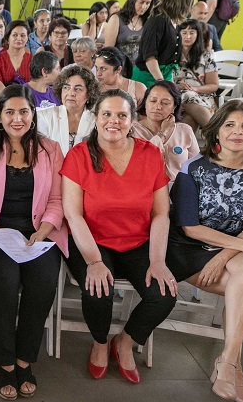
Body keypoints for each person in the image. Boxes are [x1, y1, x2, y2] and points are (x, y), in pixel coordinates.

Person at [62, 88, 177, 385]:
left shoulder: (149, 154)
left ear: (132, 119)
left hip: (138, 242)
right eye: (107, 114)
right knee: (97, 290)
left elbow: (161, 213)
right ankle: (100, 342)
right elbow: (73, 215)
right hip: (93, 240)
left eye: (122, 115)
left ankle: (124, 341)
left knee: (163, 295)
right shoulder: (79, 156)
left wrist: (157, 260)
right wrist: (94, 261)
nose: (114, 121)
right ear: (96, 118)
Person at [167, 101, 243, 402]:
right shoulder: (194, 167)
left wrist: (225, 255)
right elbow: (189, 226)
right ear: (217, 130)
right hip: (186, 250)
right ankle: (233, 369)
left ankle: (228, 362)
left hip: (226, 255)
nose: (237, 132)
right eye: (230, 125)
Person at [0, 84, 68, 400]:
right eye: (9, 112)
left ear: (33, 115)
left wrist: (44, 230)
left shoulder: (50, 150)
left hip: (38, 233)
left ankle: (25, 358)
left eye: (24, 111)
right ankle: (5, 362)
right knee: (5, 278)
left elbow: (57, 198)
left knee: (44, 279)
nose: (17, 118)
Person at [132, 80, 200, 180]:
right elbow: (142, 162)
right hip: (146, 189)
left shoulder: (185, 131)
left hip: (179, 190)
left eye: (165, 103)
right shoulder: (132, 131)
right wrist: (163, 133)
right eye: (153, 101)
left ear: (174, 107)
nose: (158, 107)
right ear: (145, 103)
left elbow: (197, 166)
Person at [133, 0, 196, 85]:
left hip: (163, 75)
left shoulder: (173, 21)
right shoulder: (158, 20)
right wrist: (162, 83)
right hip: (149, 77)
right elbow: (149, 57)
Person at [36, 64, 98, 156]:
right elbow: (41, 154)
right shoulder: (44, 116)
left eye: (78, 89)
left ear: (89, 95)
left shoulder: (96, 121)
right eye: (66, 87)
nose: (71, 93)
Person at [173, 19, 219, 129]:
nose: (188, 37)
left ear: (198, 34)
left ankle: (183, 146)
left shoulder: (206, 56)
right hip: (176, 96)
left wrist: (194, 89)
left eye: (192, 33)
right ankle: (215, 136)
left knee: (190, 117)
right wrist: (177, 87)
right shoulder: (170, 55)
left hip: (202, 97)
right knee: (186, 95)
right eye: (184, 33)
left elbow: (213, 85)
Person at [102, 0, 153, 75]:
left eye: (148, 3)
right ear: (133, 0)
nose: (144, 6)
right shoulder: (116, 18)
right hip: (119, 70)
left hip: (139, 71)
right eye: (141, 2)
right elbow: (109, 50)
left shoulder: (148, 21)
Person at [0, 20, 31, 86]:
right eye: (15, 35)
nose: (19, 38)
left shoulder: (33, 60)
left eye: (23, 35)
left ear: (27, 38)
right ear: (8, 38)